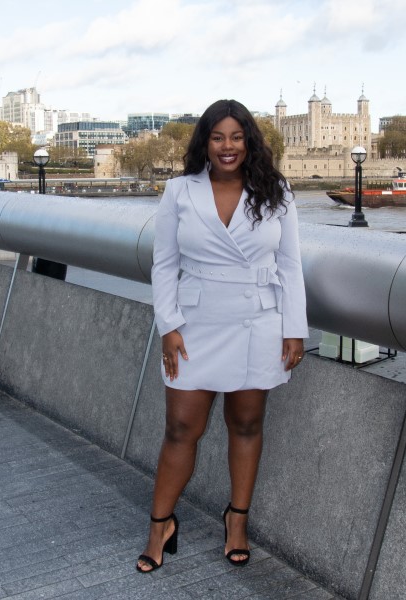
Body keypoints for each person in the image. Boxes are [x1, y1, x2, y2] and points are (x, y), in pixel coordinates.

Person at [136, 99, 308, 573]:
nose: (227, 146)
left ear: (248, 141)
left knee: (247, 424)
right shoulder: (179, 191)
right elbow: (165, 264)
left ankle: (237, 520)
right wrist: (168, 326)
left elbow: (290, 266)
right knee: (180, 429)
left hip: (259, 322)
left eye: (236, 136)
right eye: (218, 137)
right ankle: (160, 525)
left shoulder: (277, 192)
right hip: (195, 325)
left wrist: (294, 328)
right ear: (205, 143)